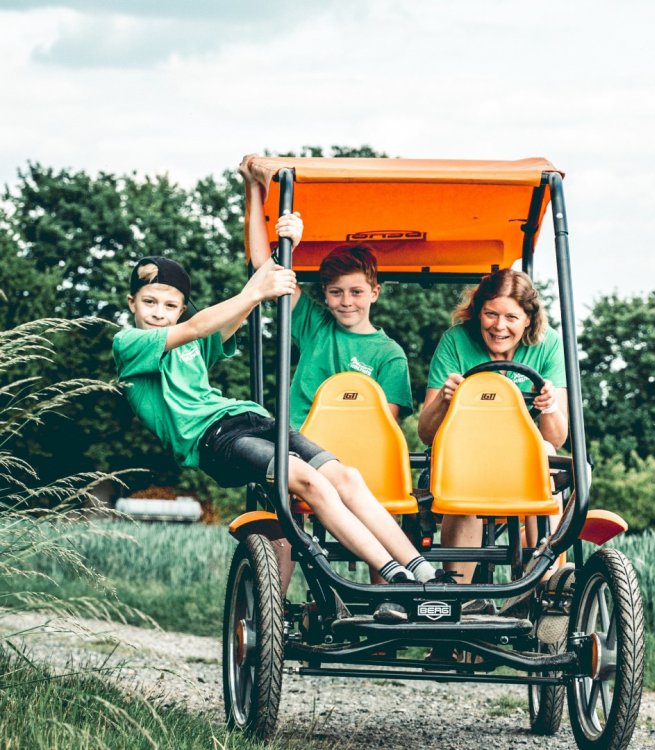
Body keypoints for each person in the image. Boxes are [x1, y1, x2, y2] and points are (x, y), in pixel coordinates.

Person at [113, 255, 443, 622]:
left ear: (180, 307)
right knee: (307, 480)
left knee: (346, 476)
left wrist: (277, 256)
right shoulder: (131, 344)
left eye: (170, 305)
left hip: (250, 416)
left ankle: (425, 574)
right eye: (150, 302)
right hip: (213, 439)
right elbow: (197, 326)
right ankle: (396, 577)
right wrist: (255, 291)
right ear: (132, 303)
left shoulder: (193, 345)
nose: (159, 312)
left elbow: (229, 319)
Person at [417, 269, 568, 612]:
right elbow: (426, 433)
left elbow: (557, 436)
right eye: (491, 314)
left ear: (529, 319)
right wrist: (443, 398)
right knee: (463, 470)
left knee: (545, 454)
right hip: (464, 461)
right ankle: (455, 601)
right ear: (478, 311)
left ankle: (546, 588)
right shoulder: (456, 341)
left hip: (520, 467)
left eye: (511, 317)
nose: (500, 327)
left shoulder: (548, 345)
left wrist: (550, 407)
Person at [240, 155, 412, 430]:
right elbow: (264, 267)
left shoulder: (390, 355)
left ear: (374, 292)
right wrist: (252, 189)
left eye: (356, 292)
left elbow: (384, 430)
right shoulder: (316, 326)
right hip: (298, 446)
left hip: (350, 455)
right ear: (325, 292)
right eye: (336, 292)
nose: (346, 302)